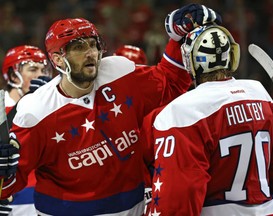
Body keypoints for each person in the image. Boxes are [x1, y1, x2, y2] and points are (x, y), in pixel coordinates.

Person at [0, 4, 222, 216]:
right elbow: (8, 183)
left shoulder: (119, 73)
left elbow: (170, 83)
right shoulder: (35, 112)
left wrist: (177, 37)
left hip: (134, 208)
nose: (91, 53)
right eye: (79, 47)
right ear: (58, 59)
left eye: (93, 44)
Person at [143, 24, 273, 215]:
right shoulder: (260, 93)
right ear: (231, 56)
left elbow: (180, 195)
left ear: (190, 61)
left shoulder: (183, 111)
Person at [0, 45, 52, 216]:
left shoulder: (52, 106)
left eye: (44, 69)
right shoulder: (1, 106)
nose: (42, 75)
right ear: (14, 76)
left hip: (47, 195)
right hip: (12, 197)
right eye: (33, 69)